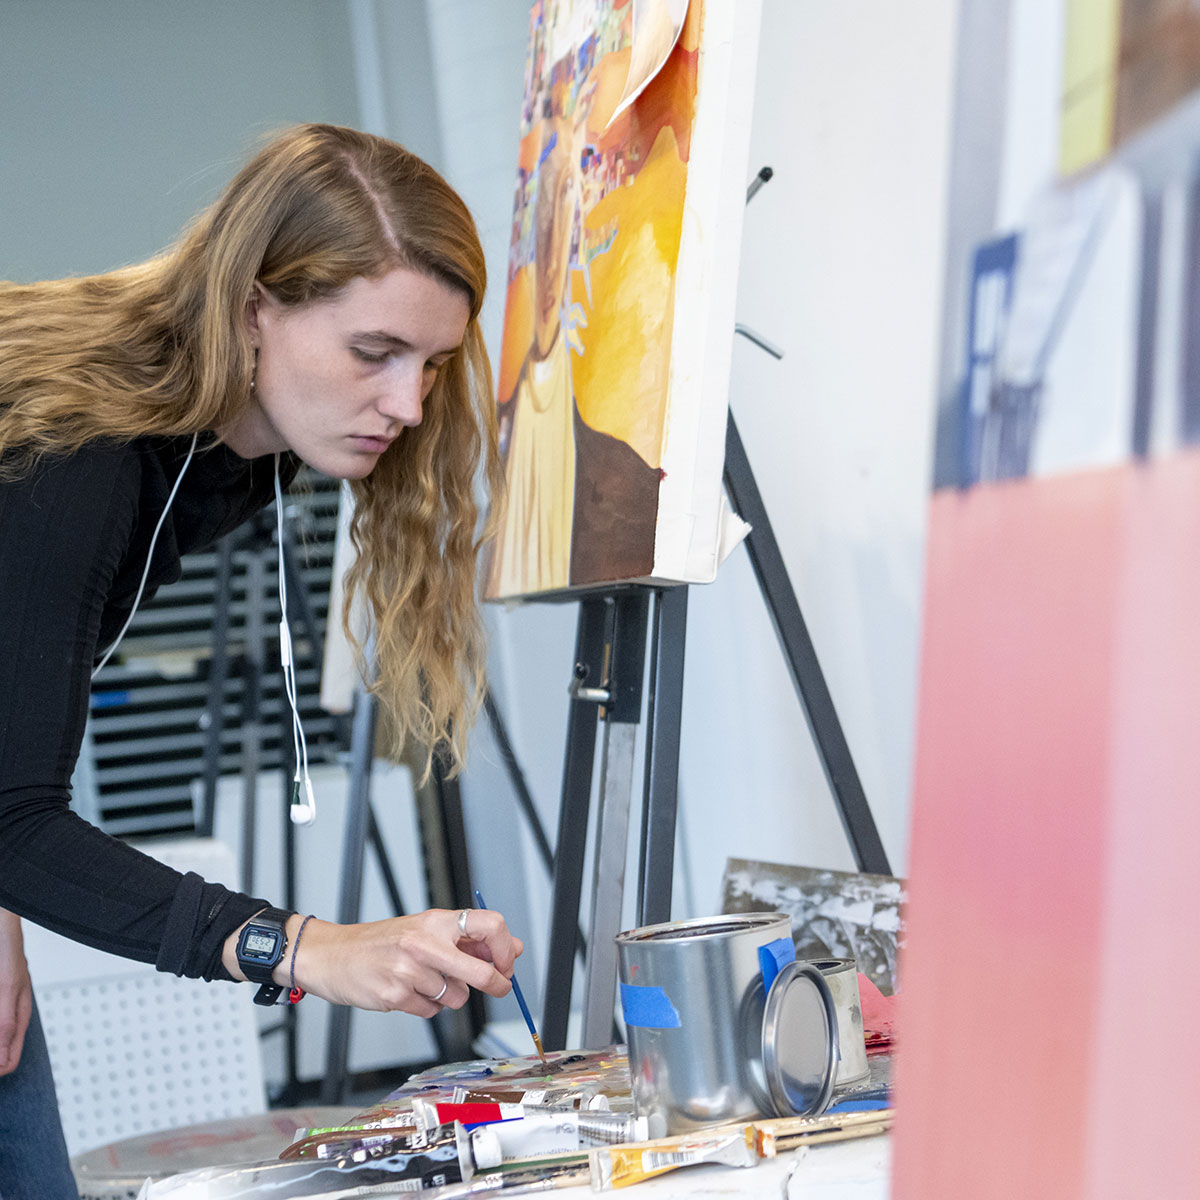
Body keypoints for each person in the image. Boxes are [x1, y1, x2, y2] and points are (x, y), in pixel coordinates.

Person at [0, 123, 521, 1199]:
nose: (409, 404)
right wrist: (305, 948)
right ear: (252, 310)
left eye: (431, 363)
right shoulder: (79, 449)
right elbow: (13, 813)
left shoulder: (239, 451)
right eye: (373, 353)